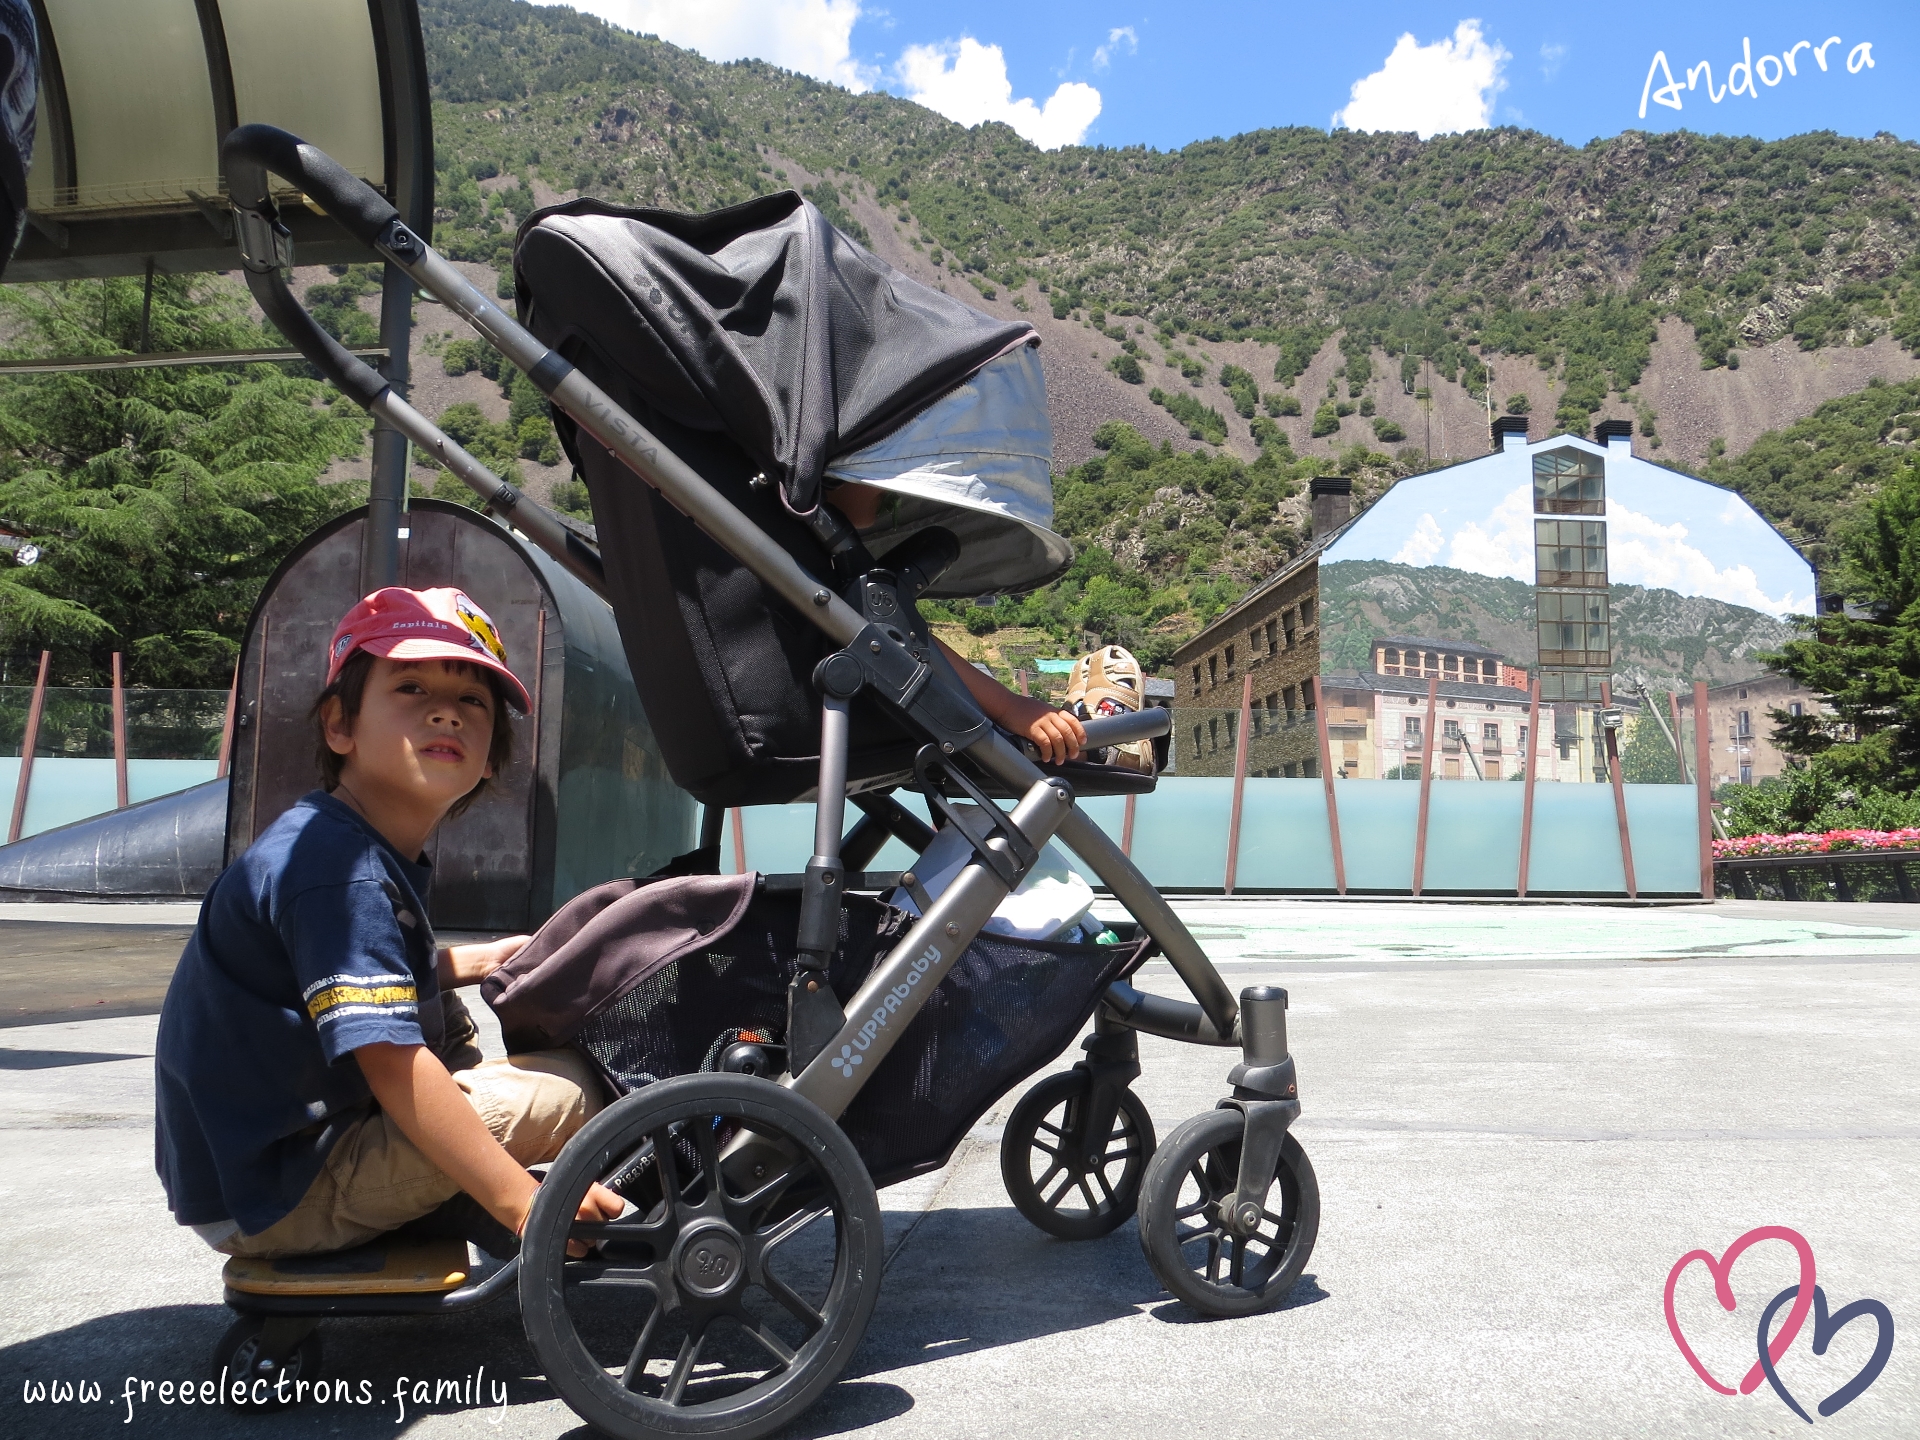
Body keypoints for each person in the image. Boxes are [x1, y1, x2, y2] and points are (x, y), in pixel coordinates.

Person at [154, 587, 623, 1259]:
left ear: (491, 757)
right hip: (284, 1194)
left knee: (451, 1021)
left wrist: (480, 960)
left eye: (472, 701)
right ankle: (484, 1195)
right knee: (574, 1088)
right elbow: (393, 1064)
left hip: (258, 1176)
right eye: (410, 686)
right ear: (338, 725)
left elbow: (327, 976)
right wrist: (527, 1205)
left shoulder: (339, 841)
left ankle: (453, 1190)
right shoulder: (335, 871)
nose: (446, 712)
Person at [822, 478, 1088, 763]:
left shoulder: (802, 565)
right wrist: (1009, 707)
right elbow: (889, 637)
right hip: (856, 726)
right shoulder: (805, 570)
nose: (892, 489)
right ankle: (1096, 733)